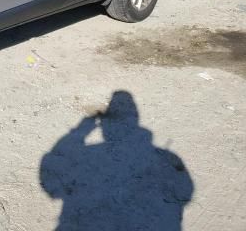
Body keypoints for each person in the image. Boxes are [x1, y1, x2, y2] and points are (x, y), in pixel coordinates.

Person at [40, 91, 193, 231]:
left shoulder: (90, 153)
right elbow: (185, 192)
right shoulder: (167, 157)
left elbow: (49, 176)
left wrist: (81, 130)